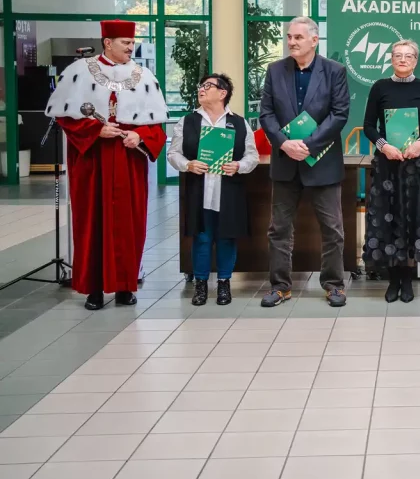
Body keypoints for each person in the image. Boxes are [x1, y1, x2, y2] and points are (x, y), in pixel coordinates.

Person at [44, 20, 168, 310]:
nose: (131, 47)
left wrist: (140, 135)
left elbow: (156, 126)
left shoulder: (144, 76)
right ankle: (94, 289)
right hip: (92, 160)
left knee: (129, 223)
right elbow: (65, 117)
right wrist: (95, 130)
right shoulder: (79, 71)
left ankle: (125, 286)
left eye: (132, 42)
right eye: (125, 42)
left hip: (128, 160)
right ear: (107, 42)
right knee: (91, 222)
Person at [259, 16, 350, 308]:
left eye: (298, 37)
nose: (291, 42)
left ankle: (334, 285)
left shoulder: (334, 71)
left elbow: (339, 114)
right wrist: (284, 143)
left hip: (322, 162)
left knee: (332, 229)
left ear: (314, 40)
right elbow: (266, 113)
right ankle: (280, 287)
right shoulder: (275, 70)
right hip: (286, 162)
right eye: (289, 37)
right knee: (279, 229)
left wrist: (308, 145)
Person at [362, 40, 420, 303]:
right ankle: (393, 280)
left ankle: (408, 279)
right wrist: (384, 146)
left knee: (413, 219)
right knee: (389, 218)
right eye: (398, 55)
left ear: (416, 60)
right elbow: (368, 125)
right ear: (391, 59)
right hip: (388, 164)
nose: (402, 59)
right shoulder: (380, 87)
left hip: (417, 164)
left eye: (408, 56)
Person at [168, 74, 258, 306]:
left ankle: (224, 284)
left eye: (208, 86)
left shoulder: (239, 123)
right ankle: (200, 285)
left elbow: (252, 156)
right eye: (201, 85)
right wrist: (188, 164)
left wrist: (239, 166)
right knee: (201, 237)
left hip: (229, 190)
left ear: (222, 93)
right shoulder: (188, 121)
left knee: (227, 237)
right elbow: (173, 153)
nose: (202, 89)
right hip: (199, 190)